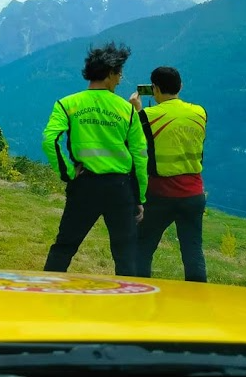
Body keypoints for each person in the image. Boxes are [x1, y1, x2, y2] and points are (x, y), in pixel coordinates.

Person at [42, 42, 147, 276]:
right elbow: (140, 156)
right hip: (120, 189)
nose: (120, 79)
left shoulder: (67, 104)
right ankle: (130, 306)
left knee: (64, 247)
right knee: (125, 253)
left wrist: (68, 172)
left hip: (84, 185)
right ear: (110, 74)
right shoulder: (128, 110)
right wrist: (140, 197)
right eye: (119, 73)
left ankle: (44, 296)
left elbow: (50, 141)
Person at [129, 67, 208, 282]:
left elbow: (138, 144)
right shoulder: (200, 112)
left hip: (160, 194)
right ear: (180, 87)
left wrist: (137, 112)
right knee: (193, 251)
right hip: (194, 194)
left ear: (154, 89)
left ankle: (139, 295)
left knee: (142, 247)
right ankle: (197, 302)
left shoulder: (146, 116)